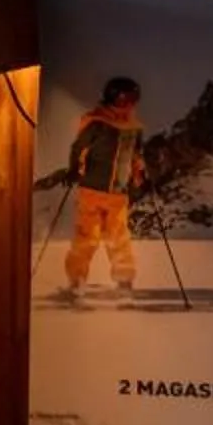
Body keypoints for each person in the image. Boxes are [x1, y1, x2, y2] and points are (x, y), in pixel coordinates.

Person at [61, 76, 144, 303]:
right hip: (92, 190)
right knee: (88, 236)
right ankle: (76, 279)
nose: (129, 104)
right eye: (125, 99)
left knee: (119, 238)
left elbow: (136, 155)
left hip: (118, 193)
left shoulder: (134, 128)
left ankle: (124, 280)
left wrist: (139, 174)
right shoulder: (97, 123)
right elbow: (79, 147)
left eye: (133, 99)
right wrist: (74, 169)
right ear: (113, 98)